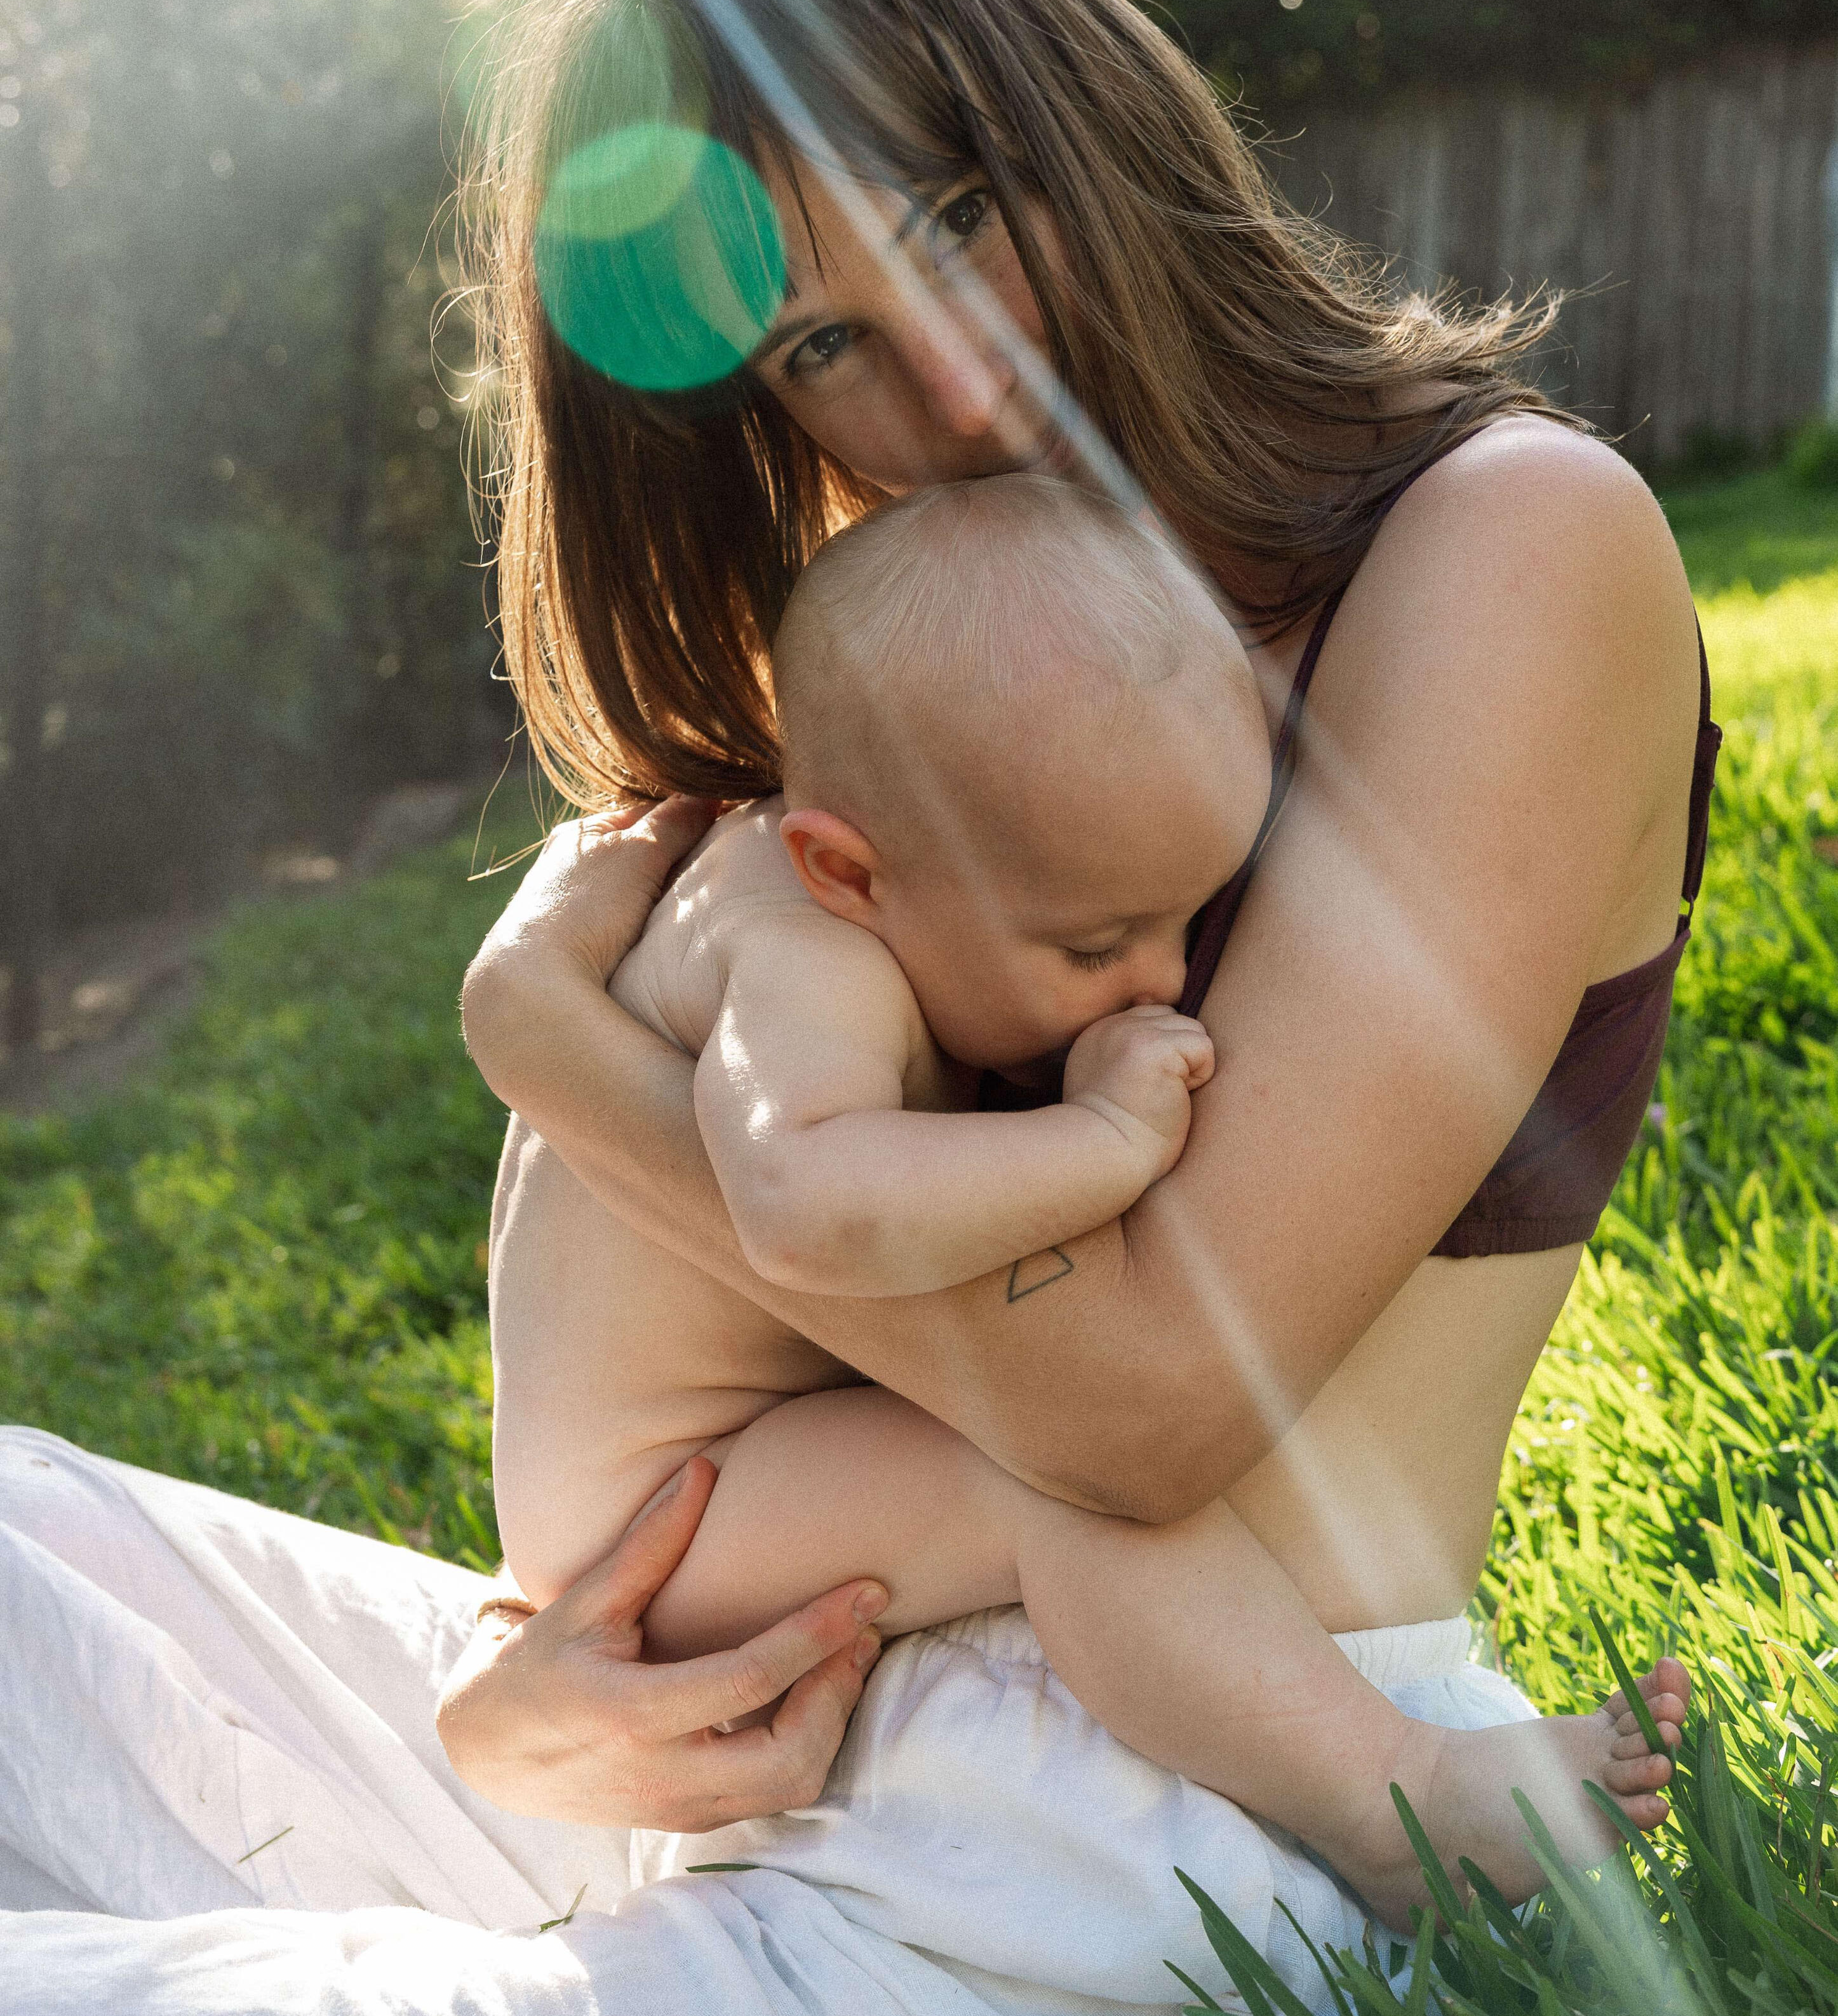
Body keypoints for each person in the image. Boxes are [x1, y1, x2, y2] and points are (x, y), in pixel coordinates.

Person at [0, 0, 1714, 2016]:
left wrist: (557, 1052)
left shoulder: (1499, 544)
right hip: (763, 1737)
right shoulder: (927, 673)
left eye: (962, 213)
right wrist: (521, 1704)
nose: (962, 386)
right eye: (823, 340)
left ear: (1083, 111)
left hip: (1154, 1816)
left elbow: (1146, 1414)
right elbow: (737, 1408)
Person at [490, 468, 1684, 1934]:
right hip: (655, 1512)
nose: (1161, 979)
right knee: (1046, 1492)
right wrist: (1102, 1139)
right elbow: (800, 1198)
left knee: (1038, 1459)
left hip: (716, 1468)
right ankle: (1394, 1799)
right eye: (1096, 942)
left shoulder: (892, 890)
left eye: (1191, 918)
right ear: (844, 869)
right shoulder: (799, 956)